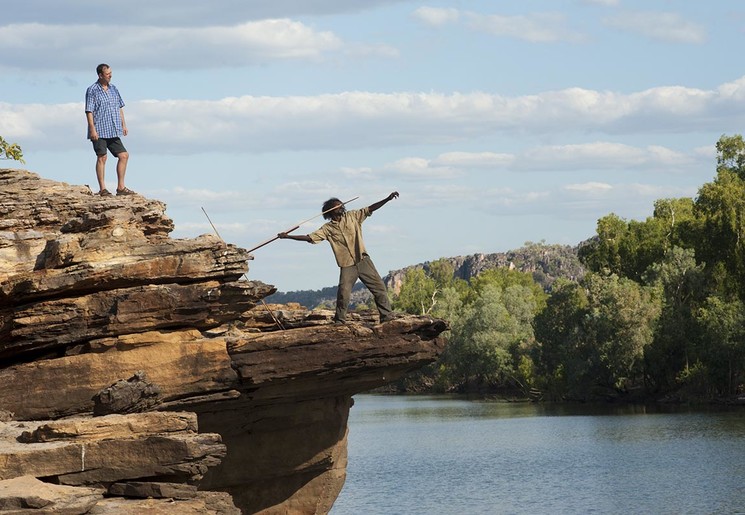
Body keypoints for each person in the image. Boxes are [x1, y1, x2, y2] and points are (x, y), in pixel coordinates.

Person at [278, 192, 400, 324]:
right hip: (347, 264)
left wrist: (388, 199)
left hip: (363, 259)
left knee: (379, 288)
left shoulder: (353, 216)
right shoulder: (327, 229)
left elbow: (370, 208)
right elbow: (309, 238)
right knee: (343, 292)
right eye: (338, 206)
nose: (342, 206)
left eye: (341, 204)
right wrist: (288, 236)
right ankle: (340, 320)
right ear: (331, 211)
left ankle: (386, 317)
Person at [85, 63, 134, 196]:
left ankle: (121, 187)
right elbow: (89, 111)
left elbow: (119, 107)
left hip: (113, 129)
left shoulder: (114, 89)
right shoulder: (92, 90)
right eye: (107, 74)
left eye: (111, 73)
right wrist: (92, 129)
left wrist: (123, 125)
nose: (110, 76)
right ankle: (103, 189)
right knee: (102, 157)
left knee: (124, 155)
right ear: (100, 75)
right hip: (99, 129)